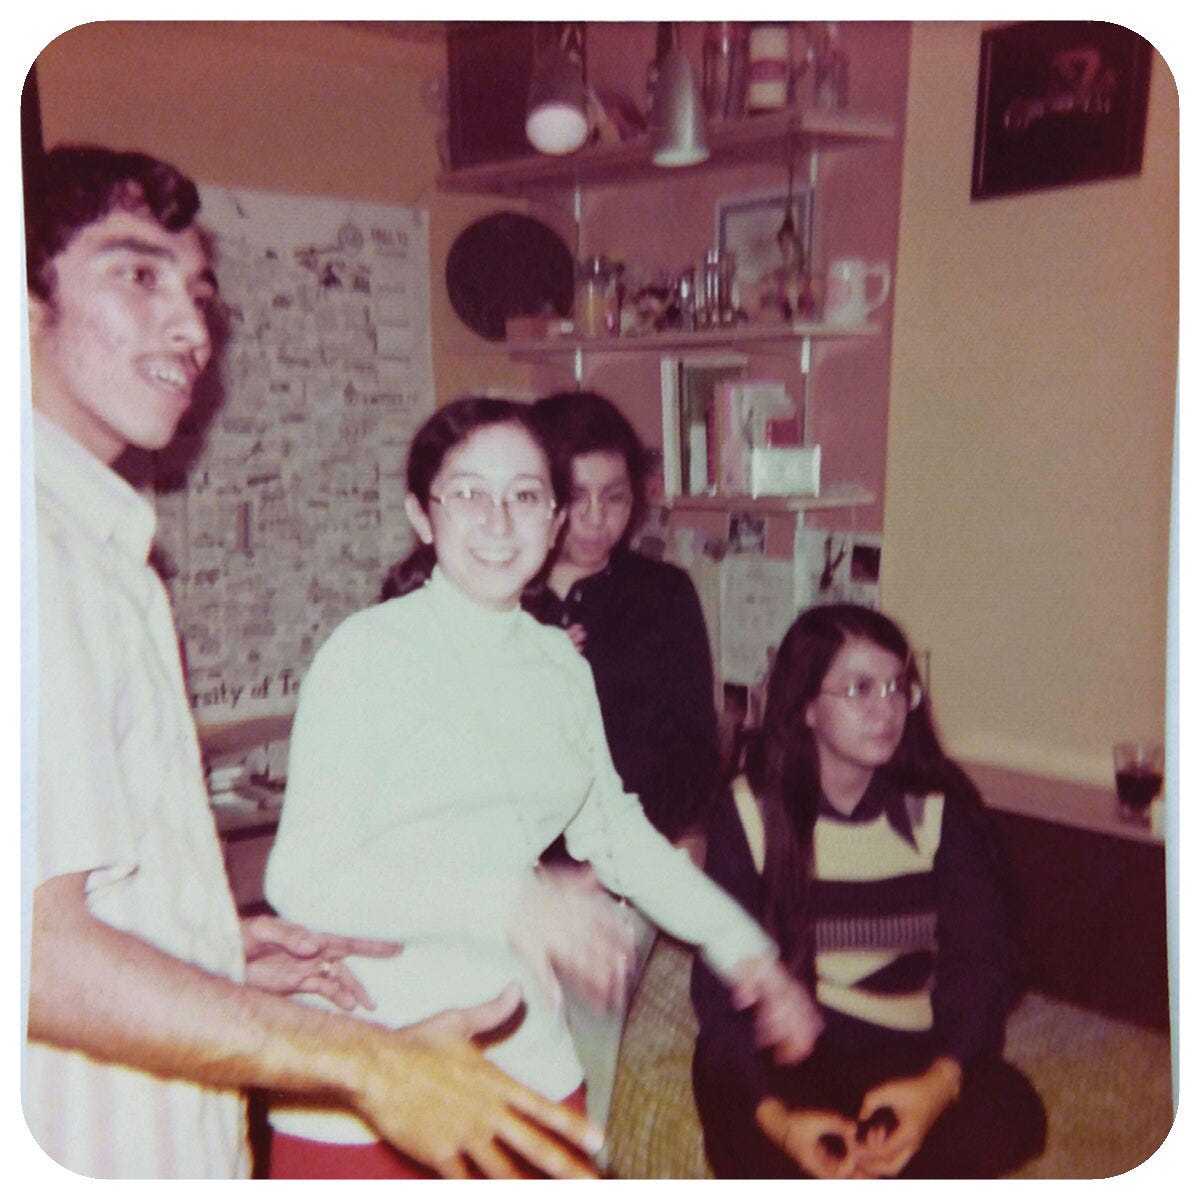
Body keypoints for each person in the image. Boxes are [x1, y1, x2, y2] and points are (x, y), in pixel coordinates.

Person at [23, 144, 605, 1180]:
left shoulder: (98, 547)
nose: (191, 327)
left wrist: (210, 945)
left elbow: (77, 901)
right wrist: (366, 1061)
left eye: (200, 293)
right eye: (137, 274)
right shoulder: (34, 552)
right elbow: (32, 953)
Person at [264, 396, 824, 1178]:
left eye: (525, 495)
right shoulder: (367, 653)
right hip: (379, 1066)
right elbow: (304, 878)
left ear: (553, 519)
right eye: (469, 493)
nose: (499, 520)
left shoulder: (557, 663)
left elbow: (616, 835)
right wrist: (514, 902)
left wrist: (749, 956)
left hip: (527, 1052)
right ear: (422, 515)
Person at [691, 604, 1047, 1178]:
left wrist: (936, 1087)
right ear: (806, 707)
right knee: (723, 1079)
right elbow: (718, 986)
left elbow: (979, 964)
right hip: (798, 1054)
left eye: (897, 687)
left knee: (1012, 1110)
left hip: (910, 1050)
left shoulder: (939, 808)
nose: (887, 709)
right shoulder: (750, 811)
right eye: (859, 689)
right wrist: (782, 1123)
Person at [523, 389, 720, 1137]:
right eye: (576, 498)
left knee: (580, 1030)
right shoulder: (501, 596)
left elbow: (693, 744)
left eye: (615, 498)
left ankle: (578, 1156)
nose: (596, 519)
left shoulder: (662, 595)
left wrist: (678, 839)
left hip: (621, 863)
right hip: (512, 863)